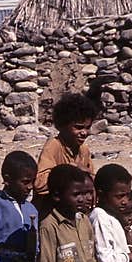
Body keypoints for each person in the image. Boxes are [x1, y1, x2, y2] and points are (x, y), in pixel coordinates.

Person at [33, 92, 100, 220]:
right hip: (50, 214)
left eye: (87, 128)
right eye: (78, 127)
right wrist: (69, 171)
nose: (84, 133)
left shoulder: (84, 150)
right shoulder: (53, 146)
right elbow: (39, 184)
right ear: (63, 125)